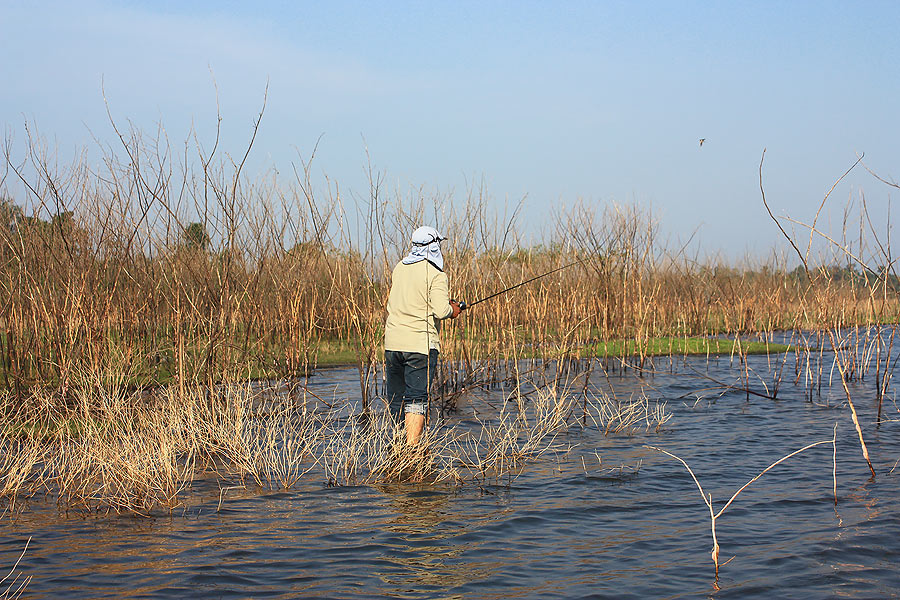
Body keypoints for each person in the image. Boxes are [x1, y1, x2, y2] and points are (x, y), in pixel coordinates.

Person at [384, 225, 463, 445]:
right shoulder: (436, 274)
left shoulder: (399, 267)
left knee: (397, 399)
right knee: (416, 399)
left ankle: (398, 447)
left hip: (392, 344)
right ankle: (412, 453)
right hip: (419, 345)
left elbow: (412, 299)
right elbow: (440, 310)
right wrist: (453, 310)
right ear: (434, 246)